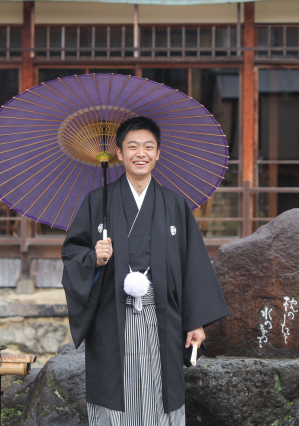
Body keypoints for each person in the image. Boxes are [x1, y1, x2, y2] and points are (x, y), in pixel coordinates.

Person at [61, 115, 229, 426]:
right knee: (115, 396)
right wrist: (94, 258)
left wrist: (195, 322)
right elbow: (72, 254)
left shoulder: (175, 205)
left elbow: (193, 265)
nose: (142, 153)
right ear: (119, 153)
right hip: (112, 316)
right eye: (133, 146)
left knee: (159, 392)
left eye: (149, 147)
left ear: (158, 153)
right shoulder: (97, 201)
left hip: (161, 316)